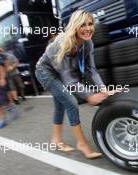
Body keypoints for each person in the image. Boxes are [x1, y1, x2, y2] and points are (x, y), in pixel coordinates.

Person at [35, 10, 119, 159]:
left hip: (58, 71)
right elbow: (69, 80)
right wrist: (89, 96)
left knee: (61, 103)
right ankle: (82, 144)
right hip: (45, 71)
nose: (88, 28)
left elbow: (91, 70)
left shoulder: (88, 43)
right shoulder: (64, 44)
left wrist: (104, 90)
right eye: (83, 25)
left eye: (90, 24)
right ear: (74, 26)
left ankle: (56, 140)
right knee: (71, 102)